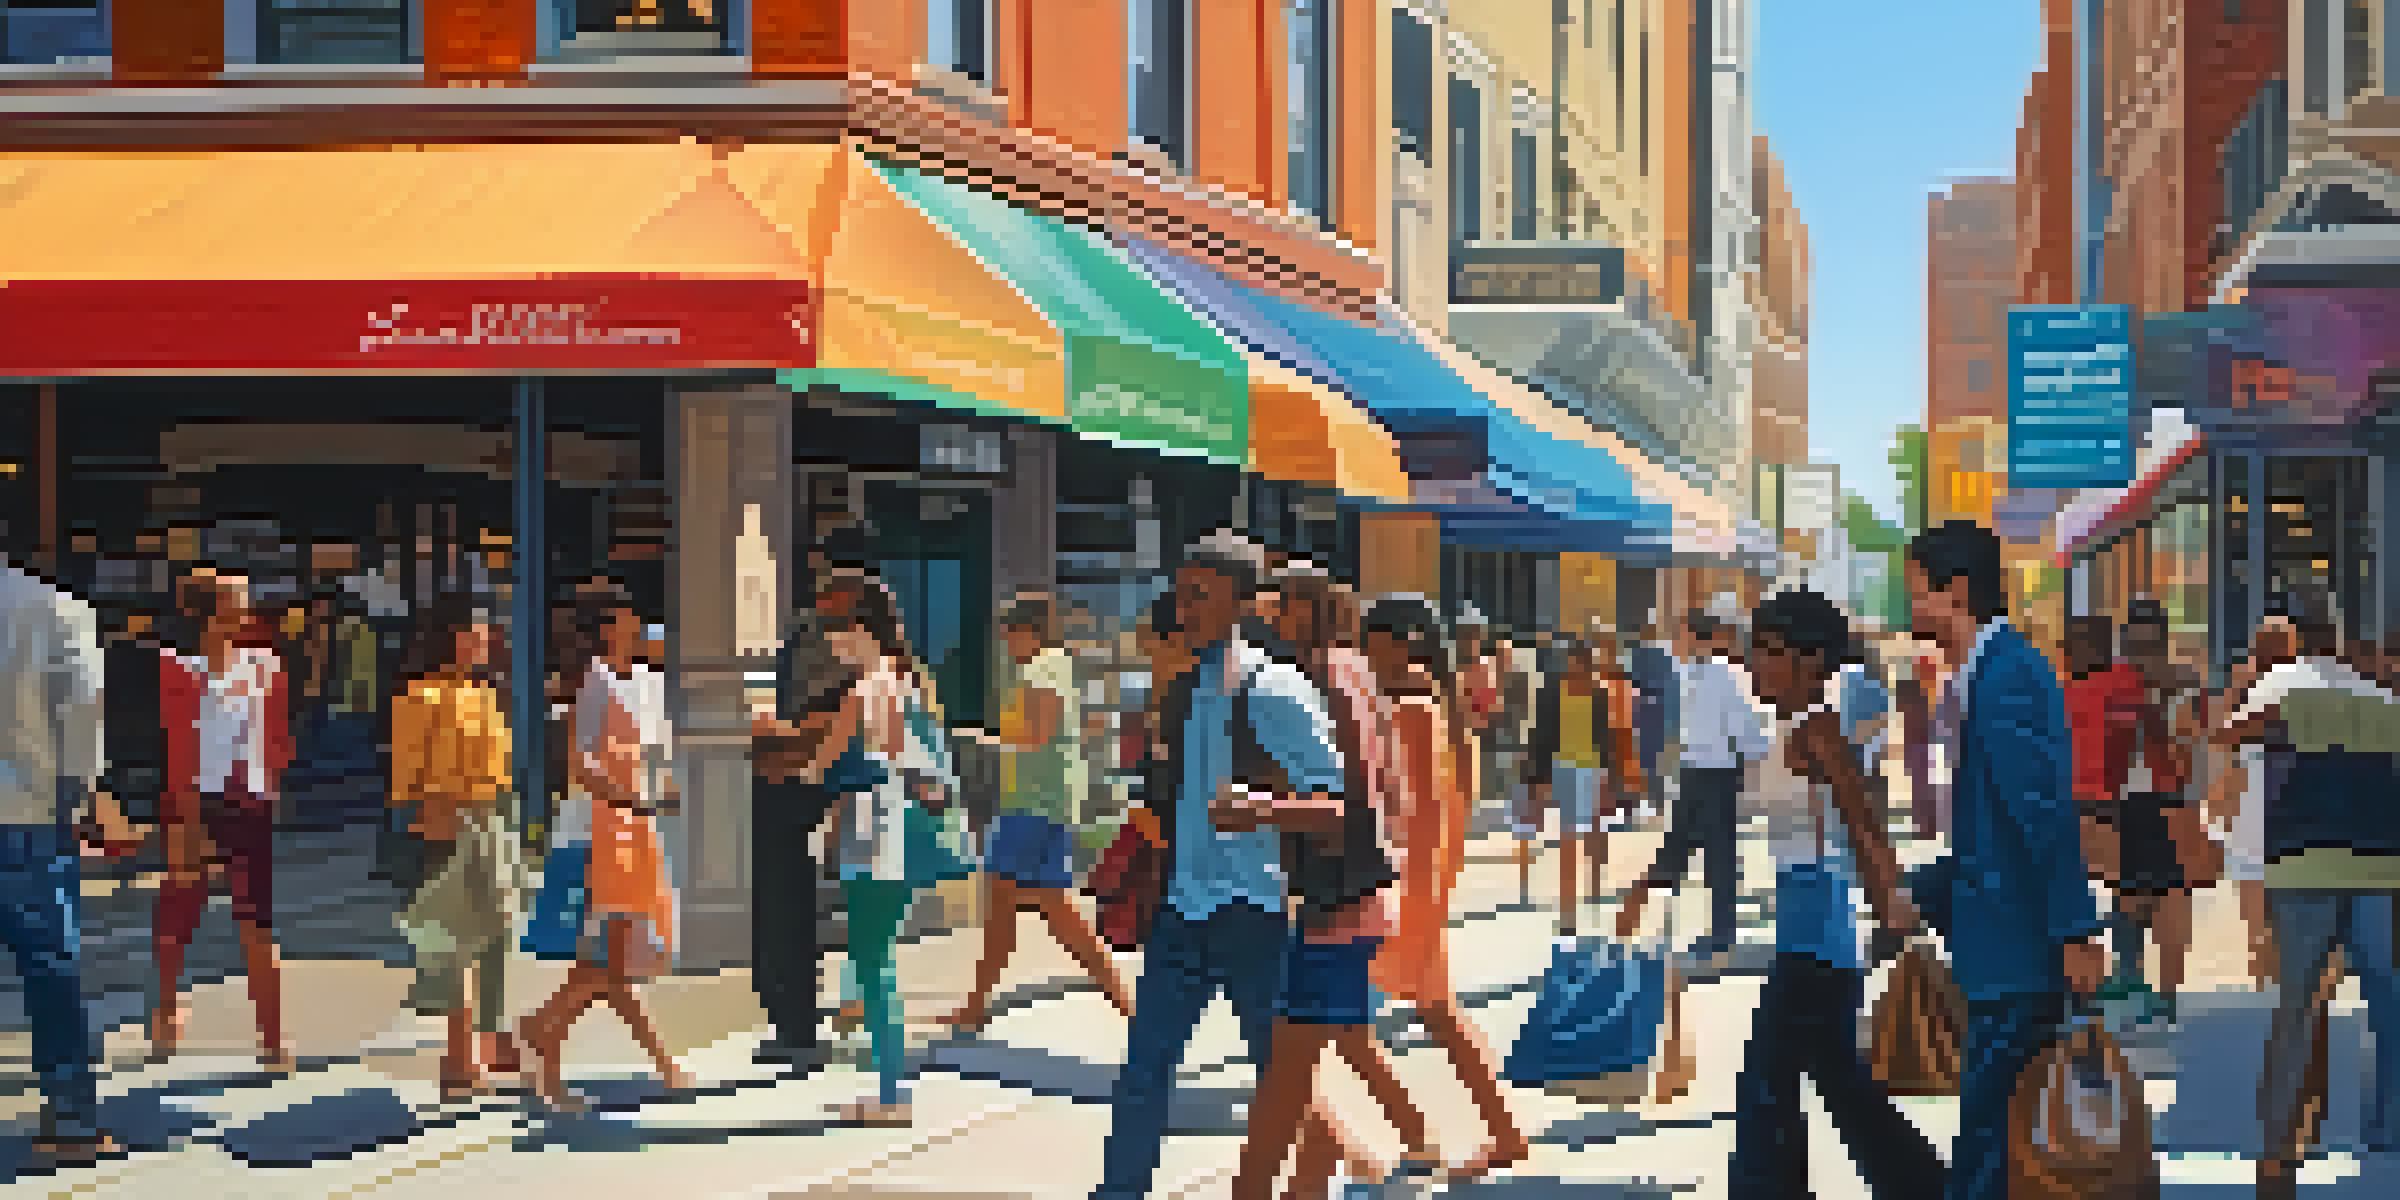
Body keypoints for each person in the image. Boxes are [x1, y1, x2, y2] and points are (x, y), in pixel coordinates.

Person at [1091, 531, 1346, 1200]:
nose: (1186, 608)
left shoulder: (1274, 688)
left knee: (1279, 1075)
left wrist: (1262, 810)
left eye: (1200, 596)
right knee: (1144, 1070)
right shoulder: (1183, 686)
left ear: (1242, 603)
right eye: (1182, 595)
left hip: (1253, 917)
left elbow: (1340, 804)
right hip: (1181, 910)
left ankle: (1332, 1172)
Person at [1899, 522, 2106, 1200]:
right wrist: (1923, 893)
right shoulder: (1984, 674)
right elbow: (1991, 829)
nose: (1911, 607)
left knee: (1992, 1143)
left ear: (1956, 592)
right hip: (2002, 946)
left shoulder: (2008, 677)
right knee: (1992, 1138)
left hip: (2019, 952)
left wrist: (2074, 932)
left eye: (1918, 592)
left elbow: (2042, 815)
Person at [1724, 589, 1947, 1198]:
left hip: (1818, 944)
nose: (1754, 663)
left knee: (1767, 1089)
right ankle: (1926, 1187)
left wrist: (1893, 906)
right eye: (1755, 648)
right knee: (1840, 1088)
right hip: (1812, 938)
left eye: (1769, 651)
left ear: (1811, 660)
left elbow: (1862, 819)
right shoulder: (1795, 728)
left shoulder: (1818, 729)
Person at [1226, 570, 1428, 1199]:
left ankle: (1377, 1159)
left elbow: (1352, 792)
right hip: (1348, 891)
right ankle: (1374, 1159)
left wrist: (1259, 809)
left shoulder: (1329, 675)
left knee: (1293, 1062)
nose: (1274, 618)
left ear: (1310, 611)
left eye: (1284, 607)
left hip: (1340, 892)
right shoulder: (1350, 668)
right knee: (1330, 1042)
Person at [2216, 608, 2400, 1198]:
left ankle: (2276, 1145)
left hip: (2302, 865)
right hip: (2379, 868)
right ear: (2342, 646)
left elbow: (2226, 733)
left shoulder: (2287, 693)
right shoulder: (2379, 701)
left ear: (2298, 643)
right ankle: (2387, 1127)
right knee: (2388, 1000)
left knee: (2295, 1008)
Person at [1361, 597, 1530, 1181]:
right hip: (1423, 885)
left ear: (1402, 641)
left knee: (1326, 1018)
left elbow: (1414, 810)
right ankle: (1501, 1132)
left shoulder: (1409, 704)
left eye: (1370, 637)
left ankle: (1401, 1137)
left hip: (1406, 886)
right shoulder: (1434, 700)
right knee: (1438, 1016)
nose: (1361, 649)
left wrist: (1410, 891)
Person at [517, 583, 691, 1114]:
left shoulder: (645, 683)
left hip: (631, 830)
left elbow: (655, 752)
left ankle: (545, 1039)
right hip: (594, 833)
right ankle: (546, 1049)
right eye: (625, 618)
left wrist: (660, 790)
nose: (636, 626)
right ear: (605, 629)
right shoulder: (592, 685)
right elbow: (580, 764)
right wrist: (634, 797)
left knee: (610, 962)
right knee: (608, 963)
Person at [944, 595, 1135, 1030]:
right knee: (1043, 911)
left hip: (1032, 807)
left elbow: (1037, 736)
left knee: (1017, 909)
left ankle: (976, 1009)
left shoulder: (1041, 668)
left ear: (1025, 632)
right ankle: (1126, 1003)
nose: (1007, 646)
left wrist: (979, 741)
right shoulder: (1058, 665)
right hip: (1045, 805)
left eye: (1009, 636)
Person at [0, 555, 123, 1161]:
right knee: (50, 962)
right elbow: (80, 717)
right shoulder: (57, 611)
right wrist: (85, 798)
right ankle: (68, 1117)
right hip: (28, 810)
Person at [152, 569, 296, 1073]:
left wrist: (272, 785)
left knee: (257, 923)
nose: (248, 609)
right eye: (237, 602)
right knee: (179, 913)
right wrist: (185, 822)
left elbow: (276, 733)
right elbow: (177, 748)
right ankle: (166, 1009)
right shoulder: (178, 667)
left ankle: (273, 1041)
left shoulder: (265, 666)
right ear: (208, 614)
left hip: (249, 803)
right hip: (195, 802)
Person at [387, 594, 525, 1101]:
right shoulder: (419, 697)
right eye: (477, 631)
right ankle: (458, 1059)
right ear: (451, 637)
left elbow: (502, 770)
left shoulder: (486, 693)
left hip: (490, 818)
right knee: (457, 943)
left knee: (497, 934)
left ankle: (489, 1043)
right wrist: (428, 820)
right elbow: (405, 781)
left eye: (487, 631)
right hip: (444, 824)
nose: (486, 639)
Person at [748, 586, 862, 1073]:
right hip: (791, 796)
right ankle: (796, 1025)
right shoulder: (803, 646)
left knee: (788, 916)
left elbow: (822, 733)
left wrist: (778, 736)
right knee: (783, 918)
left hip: (800, 798)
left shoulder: (851, 672)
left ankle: (799, 1028)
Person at [1623, 611, 1767, 961]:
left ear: (1699, 637)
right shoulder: (1686, 672)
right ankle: (1643, 926)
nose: (1675, 641)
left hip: (1718, 773)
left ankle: (1722, 934)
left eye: (1681, 634)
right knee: (1676, 848)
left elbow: (1746, 726)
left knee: (1720, 855)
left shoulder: (1726, 675)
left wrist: (1751, 763)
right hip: (1692, 772)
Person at [2118, 597, 2203, 1027]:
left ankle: (2155, 989)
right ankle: (2145, 986)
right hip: (2146, 798)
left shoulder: (2177, 682)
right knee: (2141, 897)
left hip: (2157, 797)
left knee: (2154, 898)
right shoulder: (2124, 682)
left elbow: (2189, 744)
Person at [1528, 633, 1635, 935]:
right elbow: (1540, 738)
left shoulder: (1600, 694)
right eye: (1576, 662)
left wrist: (1612, 780)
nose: (1580, 668)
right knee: (1567, 840)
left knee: (1596, 835)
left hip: (1594, 771)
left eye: (1585, 663)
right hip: (1564, 771)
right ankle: (1568, 912)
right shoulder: (1553, 693)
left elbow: (1610, 741)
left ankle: (1595, 887)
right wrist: (1537, 781)